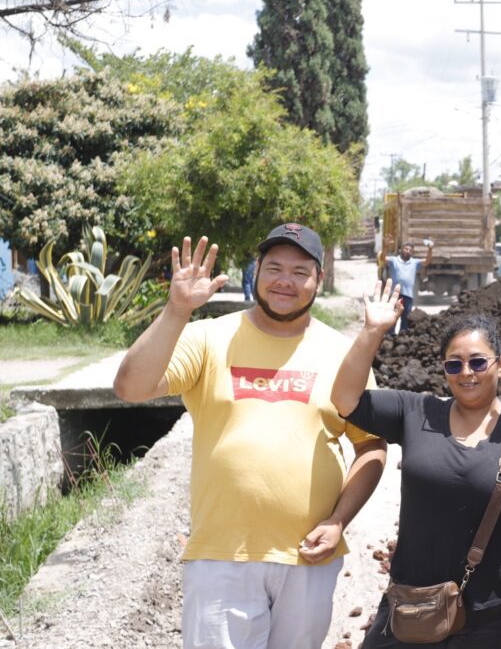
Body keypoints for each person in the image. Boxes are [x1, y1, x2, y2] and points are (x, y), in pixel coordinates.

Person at [114, 223, 388, 649]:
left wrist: (338, 521)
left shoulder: (343, 354)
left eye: (300, 272)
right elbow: (130, 387)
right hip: (221, 555)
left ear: (318, 280)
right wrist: (176, 310)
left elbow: (371, 446)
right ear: (256, 270)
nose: (285, 281)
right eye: (274, 267)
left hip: (308, 557)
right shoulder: (208, 338)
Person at [330, 281, 501, 649]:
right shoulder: (416, 412)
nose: (466, 373)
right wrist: (372, 331)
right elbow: (345, 399)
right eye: (453, 364)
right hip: (414, 605)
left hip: (499, 614)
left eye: (477, 362)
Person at [383, 240, 433, 334]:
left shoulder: (414, 262)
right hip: (395, 295)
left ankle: (402, 339)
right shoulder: (394, 260)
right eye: (406, 249)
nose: (408, 251)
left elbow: (427, 262)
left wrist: (430, 249)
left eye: (410, 250)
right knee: (392, 318)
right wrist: (385, 247)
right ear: (401, 250)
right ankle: (390, 338)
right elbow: (383, 258)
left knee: (405, 320)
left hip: (408, 296)